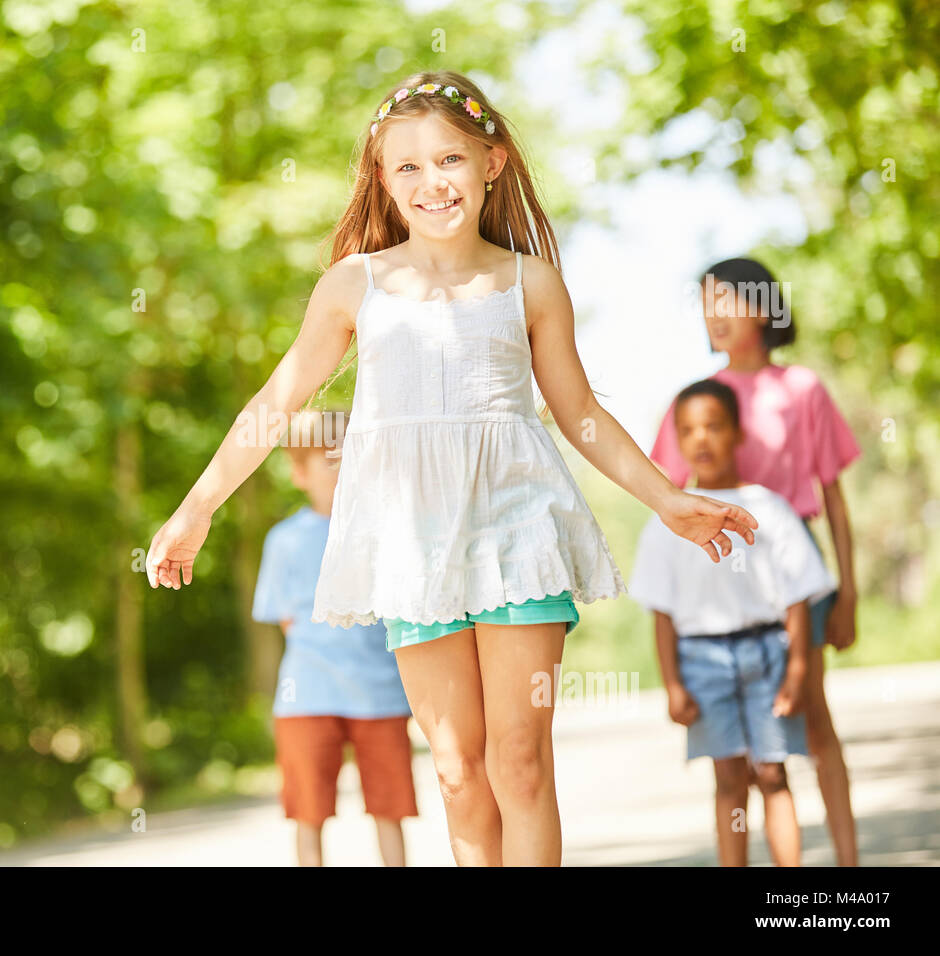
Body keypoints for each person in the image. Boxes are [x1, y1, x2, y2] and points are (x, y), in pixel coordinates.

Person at [145, 70, 758, 866]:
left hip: (518, 530)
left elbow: (578, 414)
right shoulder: (353, 286)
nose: (432, 182)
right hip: (410, 547)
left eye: (450, 160)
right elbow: (274, 402)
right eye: (408, 167)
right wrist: (197, 508)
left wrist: (670, 500)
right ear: (381, 177)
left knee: (520, 764)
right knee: (460, 773)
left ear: (490, 162)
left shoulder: (529, 284)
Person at [649, 256, 862, 865]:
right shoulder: (699, 402)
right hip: (721, 580)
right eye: (705, 305)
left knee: (814, 722)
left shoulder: (801, 390)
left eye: (725, 302)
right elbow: (669, 495)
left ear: (762, 305)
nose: (713, 316)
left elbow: (834, 500)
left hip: (797, 578)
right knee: (742, 758)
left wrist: (846, 594)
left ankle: (849, 868)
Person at [631, 380, 835, 866]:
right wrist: (673, 685)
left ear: (738, 434)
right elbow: (661, 615)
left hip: (767, 655)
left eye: (714, 426)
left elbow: (797, 598)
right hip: (702, 661)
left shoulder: (767, 508)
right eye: (688, 430)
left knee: (772, 774)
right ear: (678, 441)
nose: (702, 439)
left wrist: (798, 671)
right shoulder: (667, 521)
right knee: (727, 779)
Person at [251, 409, 418, 866]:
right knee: (308, 812)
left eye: (351, 456)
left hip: (380, 694)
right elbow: (286, 619)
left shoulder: (386, 533)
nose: (343, 467)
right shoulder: (283, 541)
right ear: (298, 471)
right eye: (329, 459)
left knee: (390, 807)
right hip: (308, 695)